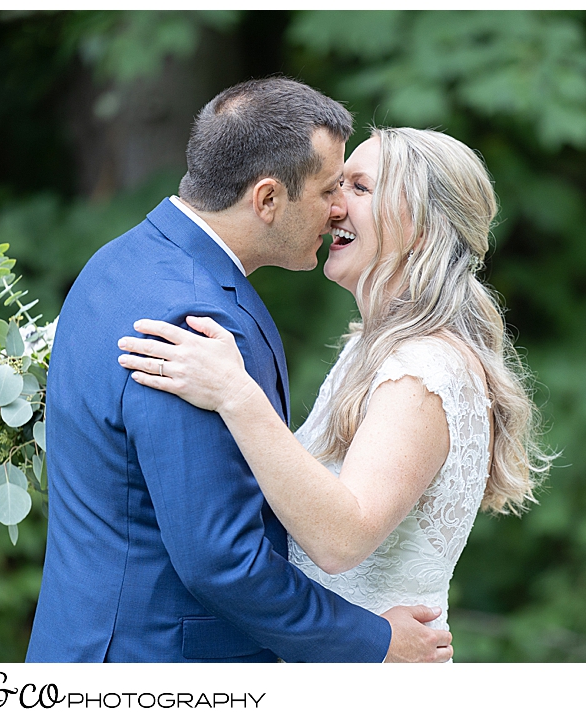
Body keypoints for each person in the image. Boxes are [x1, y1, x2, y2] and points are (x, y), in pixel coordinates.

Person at [26, 79, 453, 663]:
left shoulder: (122, 259)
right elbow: (220, 558)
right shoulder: (197, 320)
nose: (337, 211)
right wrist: (375, 642)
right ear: (268, 199)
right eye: (330, 189)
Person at [117, 127, 551, 640]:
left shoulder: (424, 371)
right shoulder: (368, 352)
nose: (332, 207)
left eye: (359, 188)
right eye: (336, 186)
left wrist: (235, 395)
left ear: (420, 226)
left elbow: (341, 540)